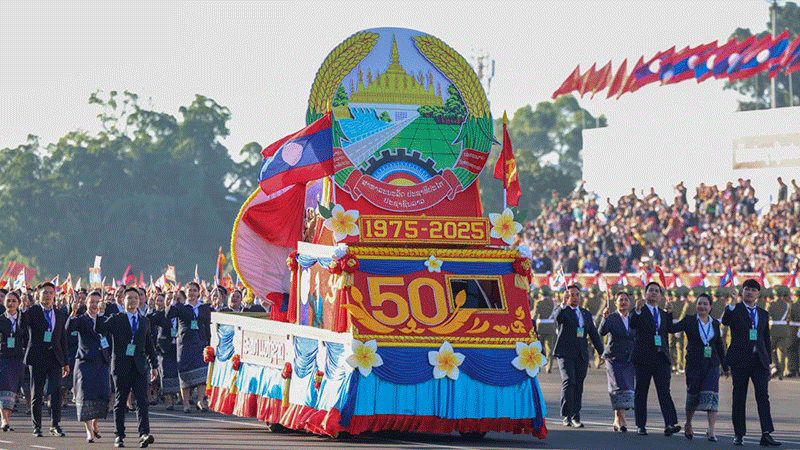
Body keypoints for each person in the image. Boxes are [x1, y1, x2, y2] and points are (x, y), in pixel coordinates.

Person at [95, 287, 158, 448]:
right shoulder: (116, 318)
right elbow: (100, 329)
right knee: (120, 401)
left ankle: (144, 433)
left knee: (142, 401)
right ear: (123, 300)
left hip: (139, 366)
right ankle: (119, 435)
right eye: (129, 298)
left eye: (135, 298)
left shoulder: (144, 321)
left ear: (140, 300)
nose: (133, 301)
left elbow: (149, 344)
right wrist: (100, 313)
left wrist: (154, 365)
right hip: (121, 365)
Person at [721, 279, 780, 447]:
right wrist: (732, 303)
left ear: (758, 294)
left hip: (759, 361)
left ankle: (766, 433)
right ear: (742, 291)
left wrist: (769, 364)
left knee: (763, 396)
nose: (749, 292)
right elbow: (725, 321)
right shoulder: (736, 309)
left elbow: (766, 340)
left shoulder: (763, 314)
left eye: (753, 290)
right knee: (739, 397)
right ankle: (739, 434)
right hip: (740, 360)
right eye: (746, 289)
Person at [671, 293, 729, 442]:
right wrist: (669, 312)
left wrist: (725, 365)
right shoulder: (689, 321)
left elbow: (719, 346)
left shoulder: (715, 324)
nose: (702, 306)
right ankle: (689, 423)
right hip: (694, 364)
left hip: (712, 364)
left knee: (712, 394)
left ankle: (711, 429)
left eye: (705, 304)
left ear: (710, 307)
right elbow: (671, 328)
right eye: (699, 303)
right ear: (696, 306)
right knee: (693, 394)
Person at [629, 281, 680, 436]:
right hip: (643, 357)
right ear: (645, 294)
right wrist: (637, 309)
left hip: (660, 357)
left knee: (664, 391)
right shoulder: (639, 310)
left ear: (660, 295)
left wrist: (670, 313)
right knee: (641, 391)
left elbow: (669, 330)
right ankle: (641, 425)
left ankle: (670, 423)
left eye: (656, 291)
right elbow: (632, 324)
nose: (653, 293)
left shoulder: (663, 313)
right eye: (650, 290)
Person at [19, 282, 70, 437]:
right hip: (37, 357)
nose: (47, 295)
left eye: (50, 292)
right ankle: (37, 426)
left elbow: (63, 339)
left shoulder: (59, 313)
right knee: (37, 393)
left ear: (54, 295)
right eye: (44, 293)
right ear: (38, 295)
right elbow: (22, 325)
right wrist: (23, 308)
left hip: (55, 358)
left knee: (56, 392)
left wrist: (66, 362)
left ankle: (55, 424)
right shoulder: (33, 311)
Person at [552, 284, 604, 428]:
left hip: (581, 354)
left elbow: (593, 333)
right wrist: (562, 304)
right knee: (569, 381)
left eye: (576, 295)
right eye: (571, 295)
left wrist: (601, 352)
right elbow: (557, 318)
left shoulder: (585, 313)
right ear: (566, 296)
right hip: (565, 353)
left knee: (578, 385)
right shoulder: (563, 310)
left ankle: (576, 415)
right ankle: (566, 415)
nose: (574, 297)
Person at [68, 290, 111, 443]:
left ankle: (95, 424)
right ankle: (88, 431)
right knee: (85, 397)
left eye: (97, 302)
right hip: (85, 363)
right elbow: (70, 327)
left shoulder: (105, 320)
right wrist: (73, 311)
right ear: (86, 303)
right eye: (91, 301)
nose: (94, 305)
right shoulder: (81, 319)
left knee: (102, 396)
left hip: (101, 363)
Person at [166, 281, 211, 413]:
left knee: (202, 372)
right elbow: (168, 315)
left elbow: (208, 325)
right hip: (185, 343)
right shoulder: (180, 307)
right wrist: (173, 302)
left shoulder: (204, 308)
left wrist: (209, 342)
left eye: (194, 290)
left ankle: (200, 401)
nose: (192, 293)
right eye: (189, 290)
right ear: (186, 293)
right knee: (185, 373)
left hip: (200, 342)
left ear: (198, 293)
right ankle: (186, 403)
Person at [599, 291, 636, 432]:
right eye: (620, 300)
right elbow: (602, 332)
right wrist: (604, 318)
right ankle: (622, 420)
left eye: (626, 300)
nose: (624, 302)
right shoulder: (612, 317)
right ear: (615, 303)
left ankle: (617, 418)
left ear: (630, 302)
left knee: (627, 388)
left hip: (629, 359)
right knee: (618, 388)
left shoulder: (633, 318)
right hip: (614, 358)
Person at [0, 290, 26, 431]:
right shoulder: (1, 319)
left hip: (18, 359)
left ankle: (7, 417)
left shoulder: (22, 319)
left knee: (13, 390)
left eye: (14, 301)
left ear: (18, 303)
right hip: (3, 358)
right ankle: (5, 420)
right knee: (5, 388)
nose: (10, 303)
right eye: (8, 301)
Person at [150, 291, 179, 410]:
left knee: (176, 373)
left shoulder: (179, 313)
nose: (170, 301)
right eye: (168, 299)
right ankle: (169, 401)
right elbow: (149, 321)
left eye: (172, 299)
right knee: (166, 373)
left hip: (177, 347)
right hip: (164, 348)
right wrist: (151, 308)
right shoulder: (159, 315)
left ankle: (181, 398)